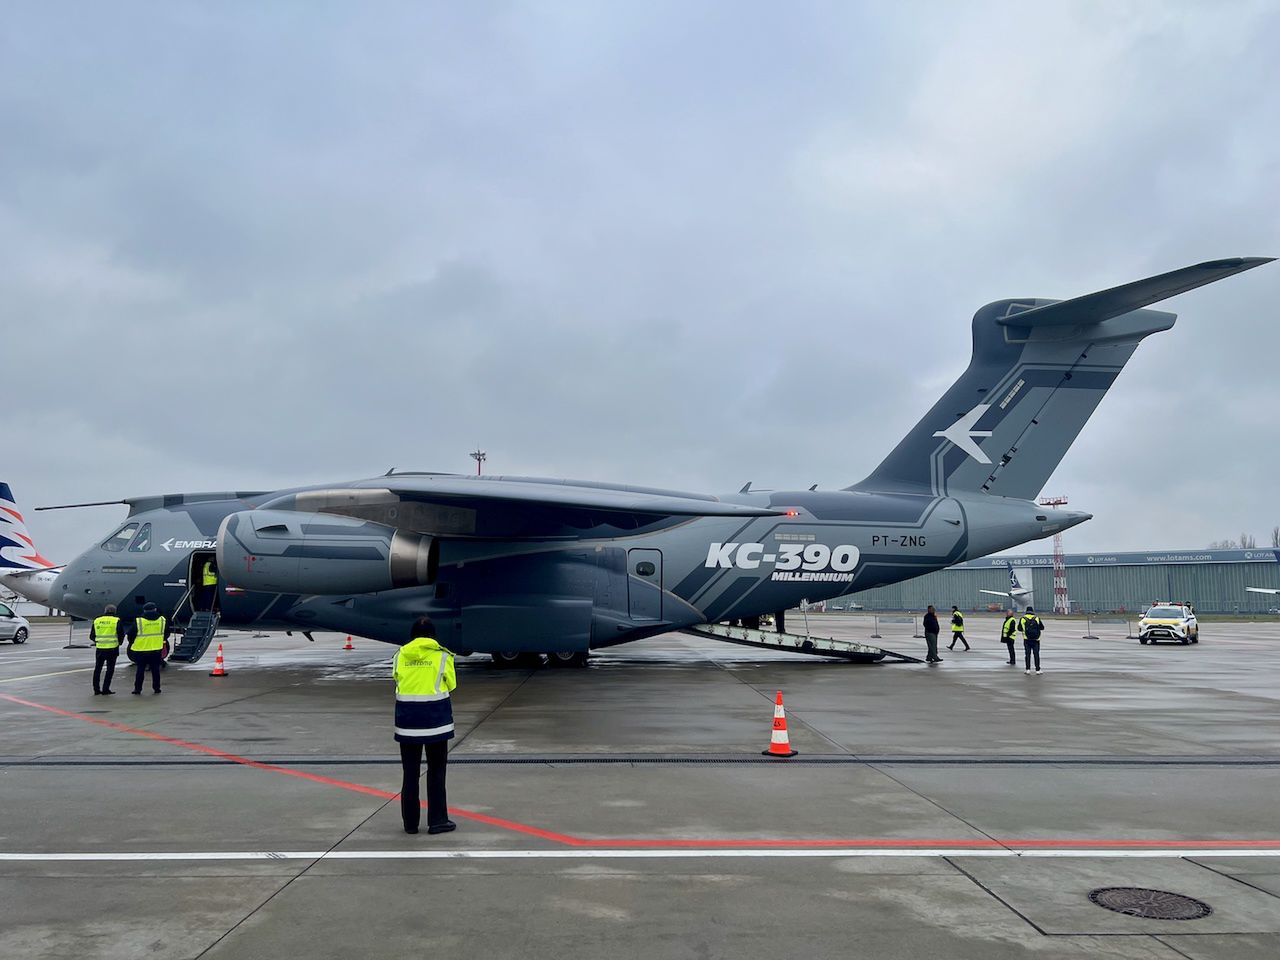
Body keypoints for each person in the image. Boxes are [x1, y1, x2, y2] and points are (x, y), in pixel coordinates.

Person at [394, 616, 457, 835]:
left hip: (407, 723)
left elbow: (396, 677)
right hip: (436, 722)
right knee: (437, 771)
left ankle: (410, 824)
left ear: (412, 636)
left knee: (410, 773)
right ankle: (437, 820)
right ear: (433, 636)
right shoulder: (442, 656)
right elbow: (452, 683)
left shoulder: (400, 655)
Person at [129, 601, 170, 695]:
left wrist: (132, 643)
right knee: (155, 670)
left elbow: (131, 634)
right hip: (156, 650)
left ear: (144, 610)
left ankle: (137, 689)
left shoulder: (139, 621)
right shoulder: (162, 620)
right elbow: (167, 632)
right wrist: (161, 640)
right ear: (155, 609)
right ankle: (157, 688)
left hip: (141, 650)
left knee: (140, 670)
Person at [90, 604, 125, 695]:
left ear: (105, 611)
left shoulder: (97, 620)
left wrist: (98, 641)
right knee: (110, 670)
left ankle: (96, 689)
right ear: (114, 611)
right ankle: (106, 689)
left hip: (100, 649)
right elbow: (121, 634)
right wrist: (119, 643)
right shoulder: (116, 620)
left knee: (97, 669)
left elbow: (92, 636)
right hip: (112, 649)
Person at [1019, 606, 1045, 674]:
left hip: (1026, 639)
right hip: (1036, 639)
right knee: (1036, 654)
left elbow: (1019, 628)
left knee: (1027, 654)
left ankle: (1028, 669)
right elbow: (1042, 627)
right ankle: (1038, 670)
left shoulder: (1022, 619)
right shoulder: (1037, 618)